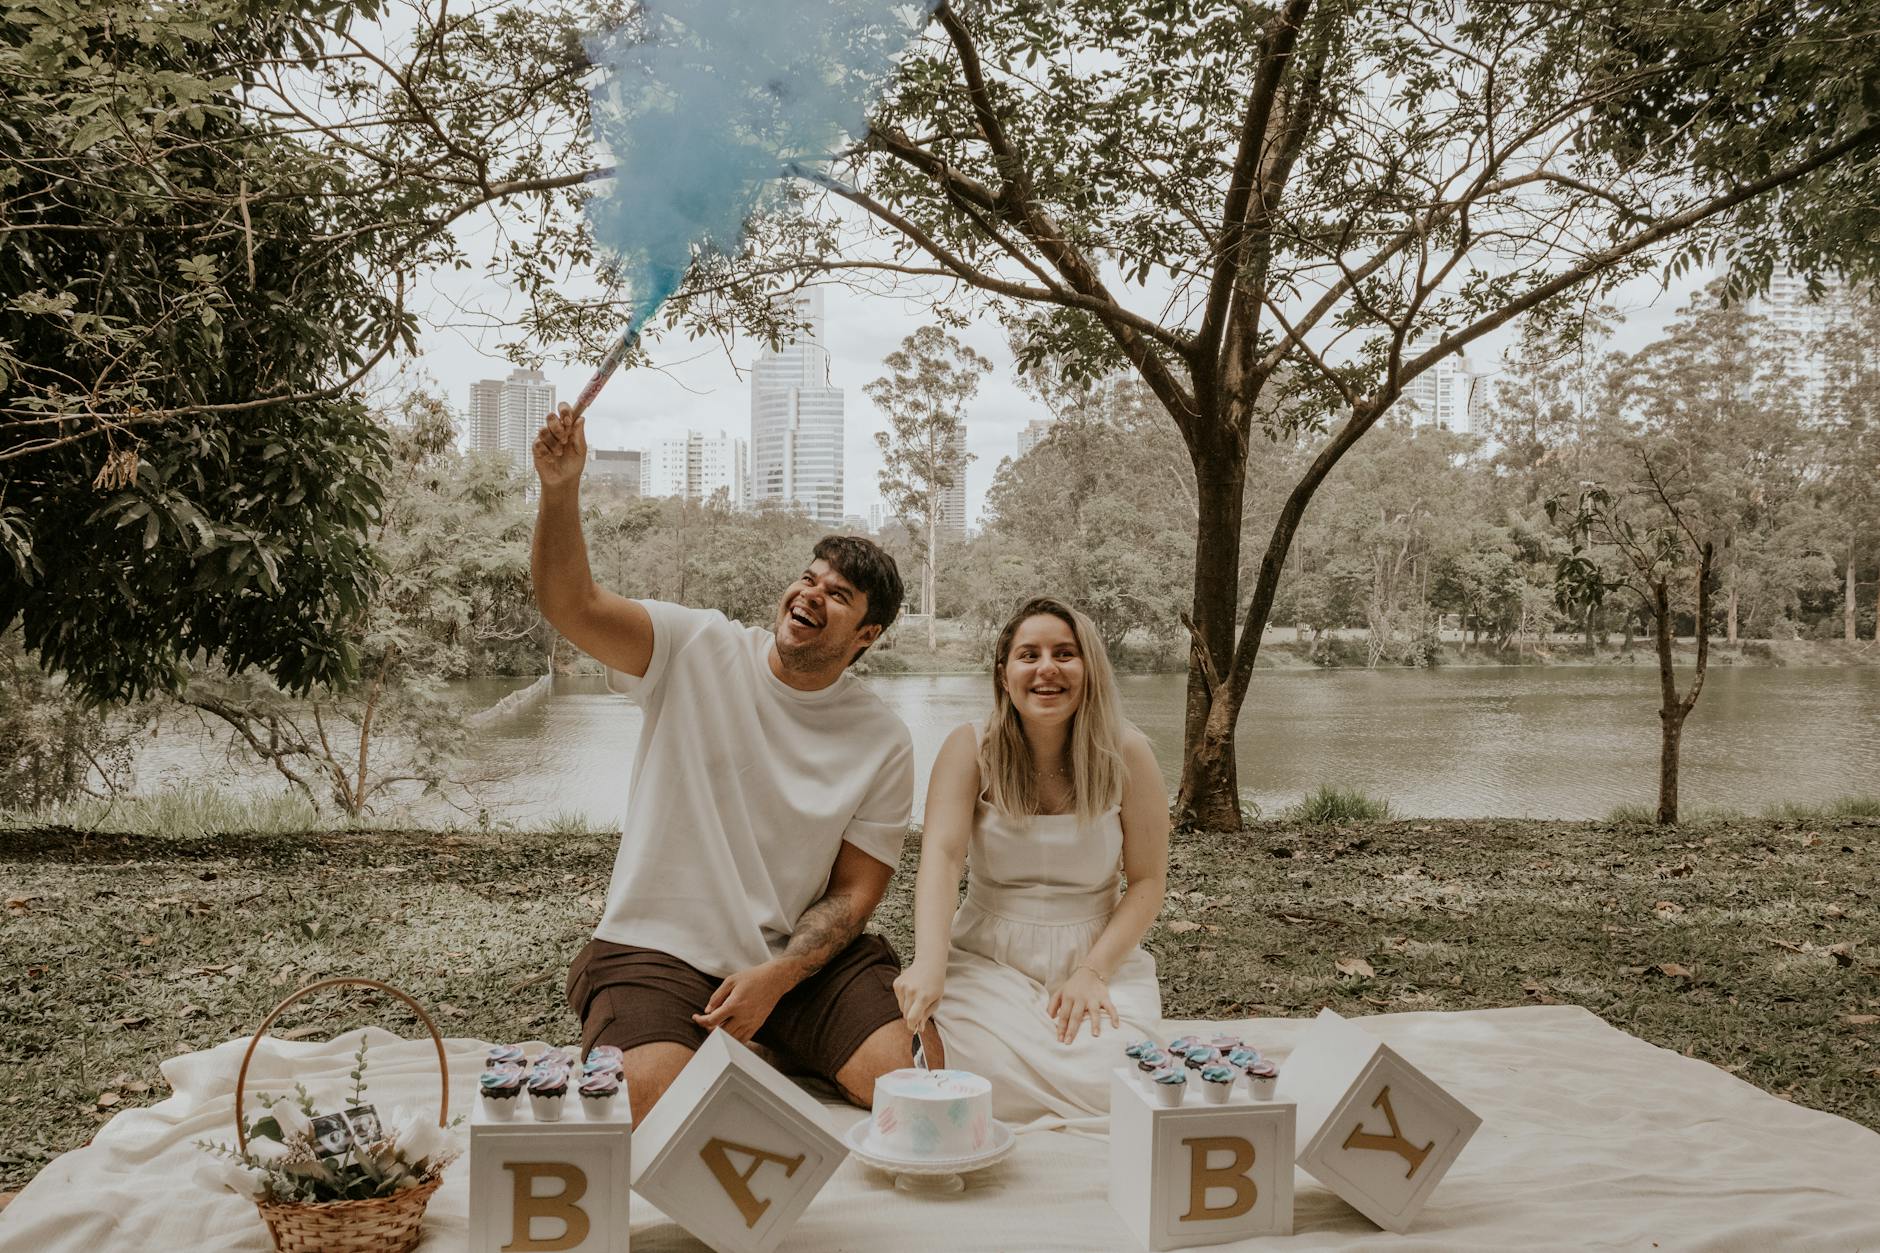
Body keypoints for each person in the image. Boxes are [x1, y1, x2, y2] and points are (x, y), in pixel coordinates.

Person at [530, 402, 939, 1118]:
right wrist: (561, 490)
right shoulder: (695, 647)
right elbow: (573, 604)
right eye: (809, 577)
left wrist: (779, 977)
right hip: (654, 952)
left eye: (837, 594)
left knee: (908, 1086)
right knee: (649, 1099)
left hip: (796, 965)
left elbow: (853, 893)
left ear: (866, 633)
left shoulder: (882, 738)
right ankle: (728, 1051)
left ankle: (772, 1043)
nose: (810, 593)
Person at [893, 596, 1168, 1124]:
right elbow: (943, 859)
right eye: (1029, 654)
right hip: (987, 955)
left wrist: (1092, 972)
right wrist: (929, 961)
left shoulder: (1127, 753)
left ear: (1089, 668)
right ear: (1004, 673)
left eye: (1065, 654)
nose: (1047, 668)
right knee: (975, 1071)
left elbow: (1148, 882)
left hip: (1097, 952)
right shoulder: (970, 748)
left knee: (1119, 1077)